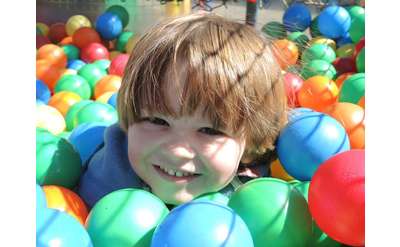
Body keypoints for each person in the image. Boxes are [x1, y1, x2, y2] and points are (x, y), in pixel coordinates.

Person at [78, 12, 288, 208]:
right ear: (129, 119)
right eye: (158, 121)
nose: (176, 151)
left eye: (209, 131)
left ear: (250, 143)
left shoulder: (257, 192)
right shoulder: (109, 176)